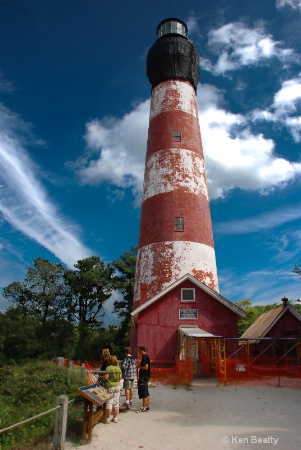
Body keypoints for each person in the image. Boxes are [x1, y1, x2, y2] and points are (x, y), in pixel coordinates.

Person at [102, 355, 122, 424]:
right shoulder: (118, 368)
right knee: (116, 403)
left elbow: (106, 378)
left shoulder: (108, 368)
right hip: (117, 386)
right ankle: (115, 418)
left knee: (109, 403)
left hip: (110, 386)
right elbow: (120, 378)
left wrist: (103, 379)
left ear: (109, 361)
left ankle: (107, 418)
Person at [137, 344, 150, 412]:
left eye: (139, 349)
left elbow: (146, 367)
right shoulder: (144, 356)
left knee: (144, 392)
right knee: (146, 392)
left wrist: (139, 366)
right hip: (145, 376)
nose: (138, 351)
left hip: (144, 376)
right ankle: (147, 406)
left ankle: (144, 407)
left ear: (142, 350)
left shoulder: (145, 357)